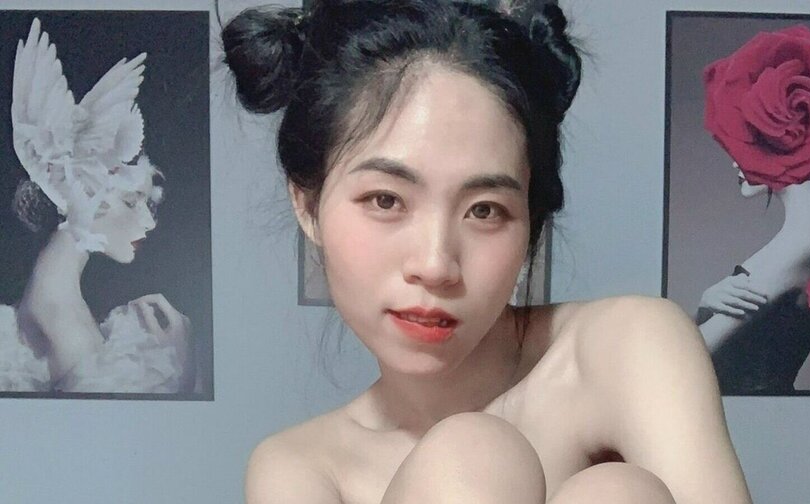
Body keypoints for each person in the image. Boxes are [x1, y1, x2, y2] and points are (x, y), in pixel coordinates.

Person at [222, 1, 752, 502]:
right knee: (472, 456)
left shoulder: (621, 351)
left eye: (484, 210)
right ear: (308, 204)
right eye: (386, 200)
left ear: (531, 220)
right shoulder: (303, 468)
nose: (435, 265)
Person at [0, 18, 193, 393]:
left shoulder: (58, 301)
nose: (150, 223)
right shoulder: (65, 323)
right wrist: (181, 372)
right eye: (131, 200)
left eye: (149, 205)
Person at [695, 163, 810, 393]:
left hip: (747, 412)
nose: (735, 162)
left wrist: (702, 305)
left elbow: (686, 357)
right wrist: (705, 303)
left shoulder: (803, 246)